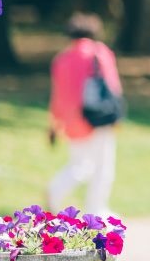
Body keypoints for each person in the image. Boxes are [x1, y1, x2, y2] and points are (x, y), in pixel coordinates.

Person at [48, 13, 122, 215]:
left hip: (71, 122)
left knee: (79, 164)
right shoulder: (100, 53)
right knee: (103, 166)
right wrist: (116, 116)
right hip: (98, 118)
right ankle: (96, 210)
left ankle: (54, 191)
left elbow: (56, 96)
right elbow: (113, 87)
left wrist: (54, 124)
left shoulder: (61, 60)